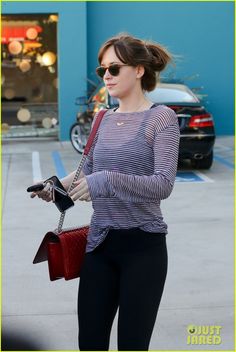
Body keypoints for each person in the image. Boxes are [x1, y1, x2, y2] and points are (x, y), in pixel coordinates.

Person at [30, 33, 180, 351]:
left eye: (114, 68)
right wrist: (54, 187)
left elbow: (163, 184)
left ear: (139, 70)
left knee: (132, 344)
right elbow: (87, 169)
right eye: (102, 70)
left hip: (144, 249)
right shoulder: (102, 119)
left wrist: (107, 180)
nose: (106, 76)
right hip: (99, 246)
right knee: (91, 343)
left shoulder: (161, 118)